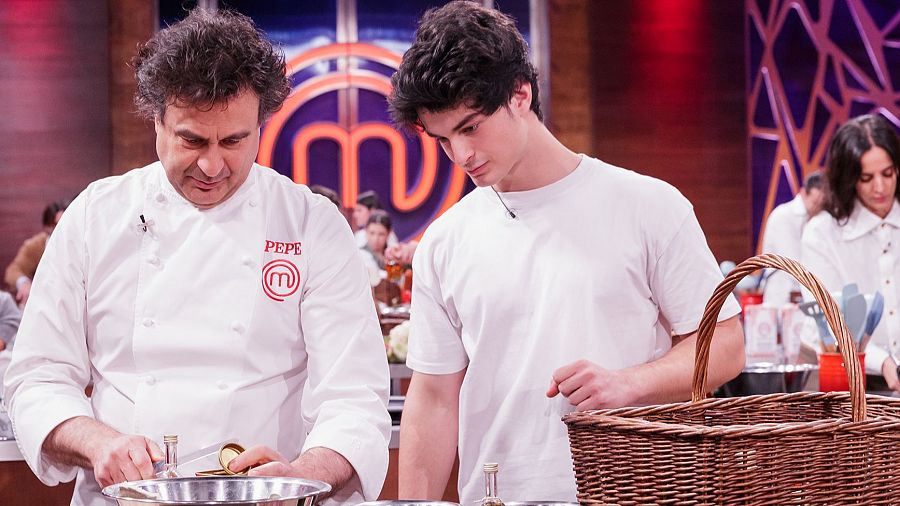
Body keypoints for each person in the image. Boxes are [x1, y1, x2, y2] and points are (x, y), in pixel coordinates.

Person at [3, 9, 390, 506]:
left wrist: (296, 477)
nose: (212, 165)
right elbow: (38, 378)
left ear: (260, 126)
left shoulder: (311, 224)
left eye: (234, 141)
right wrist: (98, 443)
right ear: (157, 123)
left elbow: (354, 397)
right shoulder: (95, 216)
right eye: (192, 140)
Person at [387, 1, 745, 503]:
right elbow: (434, 396)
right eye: (443, 139)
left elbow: (725, 348)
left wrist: (630, 384)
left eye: (470, 127)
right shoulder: (446, 240)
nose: (461, 155)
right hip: (496, 493)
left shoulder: (648, 205)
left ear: (519, 94)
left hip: (631, 489)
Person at [801, 114, 900, 389]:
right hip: (847, 380)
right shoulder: (822, 234)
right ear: (849, 179)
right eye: (866, 178)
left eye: (888, 173)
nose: (880, 187)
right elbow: (829, 316)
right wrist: (883, 361)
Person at [760, 171, 825, 305]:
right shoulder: (784, 216)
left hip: (801, 293)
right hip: (782, 293)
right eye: (815, 202)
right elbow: (792, 263)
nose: (818, 207)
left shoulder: (815, 219)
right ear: (803, 193)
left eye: (822, 203)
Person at [4, 199, 69, 307]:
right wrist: (23, 283)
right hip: (45, 301)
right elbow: (13, 270)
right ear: (47, 227)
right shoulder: (36, 245)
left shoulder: (83, 243)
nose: (60, 230)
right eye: (55, 225)